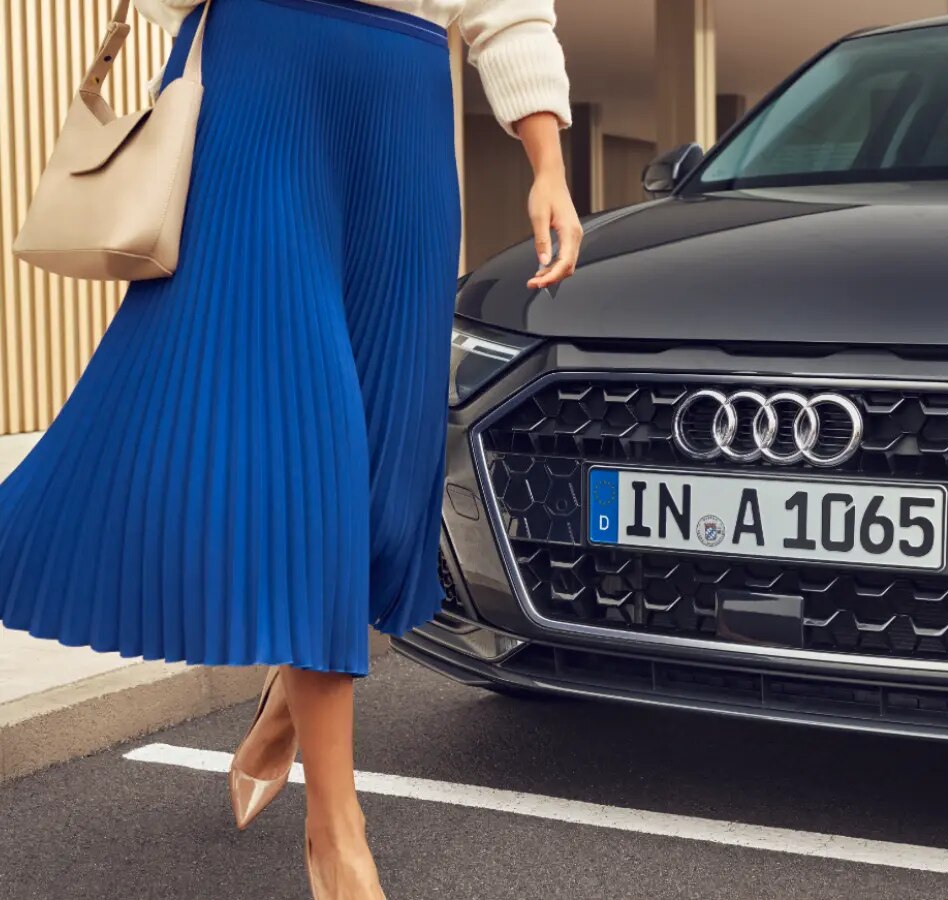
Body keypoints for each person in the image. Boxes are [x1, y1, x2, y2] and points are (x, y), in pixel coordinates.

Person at [0, 0, 580, 896]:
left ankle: (290, 696)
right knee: (314, 459)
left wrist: (548, 161)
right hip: (260, 81)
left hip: (405, 104)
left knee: (387, 489)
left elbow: (508, 9)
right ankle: (336, 831)